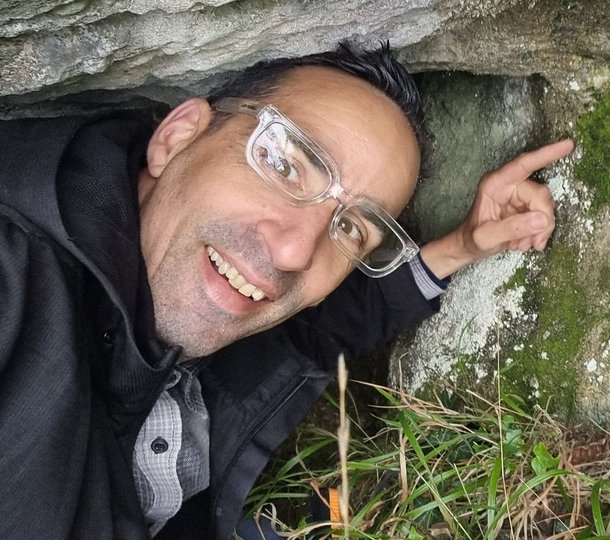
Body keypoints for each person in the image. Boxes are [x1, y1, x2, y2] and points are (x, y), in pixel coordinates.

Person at [0, 41, 573, 539]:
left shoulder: (174, 270)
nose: (296, 252)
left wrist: (465, 246)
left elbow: (309, 337)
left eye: (350, 228)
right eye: (285, 164)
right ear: (176, 137)